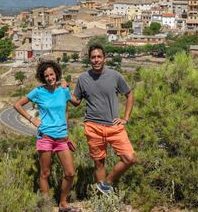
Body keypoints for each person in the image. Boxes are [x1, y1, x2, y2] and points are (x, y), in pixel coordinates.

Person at [70, 43, 137, 195]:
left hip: (114, 127)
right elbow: (76, 102)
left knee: (130, 158)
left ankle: (108, 182)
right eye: (93, 57)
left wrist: (126, 118)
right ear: (89, 59)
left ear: (104, 58)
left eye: (99, 57)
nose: (96, 60)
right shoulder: (83, 79)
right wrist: (66, 93)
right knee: (99, 164)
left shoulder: (115, 76)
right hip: (93, 126)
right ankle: (102, 200)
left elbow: (129, 94)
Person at [14, 60, 80, 212]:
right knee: (45, 173)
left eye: (52, 74)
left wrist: (67, 135)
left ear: (56, 73)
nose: (50, 77)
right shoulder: (38, 91)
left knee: (70, 173)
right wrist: (31, 119)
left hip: (62, 138)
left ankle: (63, 204)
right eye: (46, 76)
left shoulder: (63, 90)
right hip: (46, 137)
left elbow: (66, 112)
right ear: (43, 77)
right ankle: (47, 207)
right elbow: (17, 105)